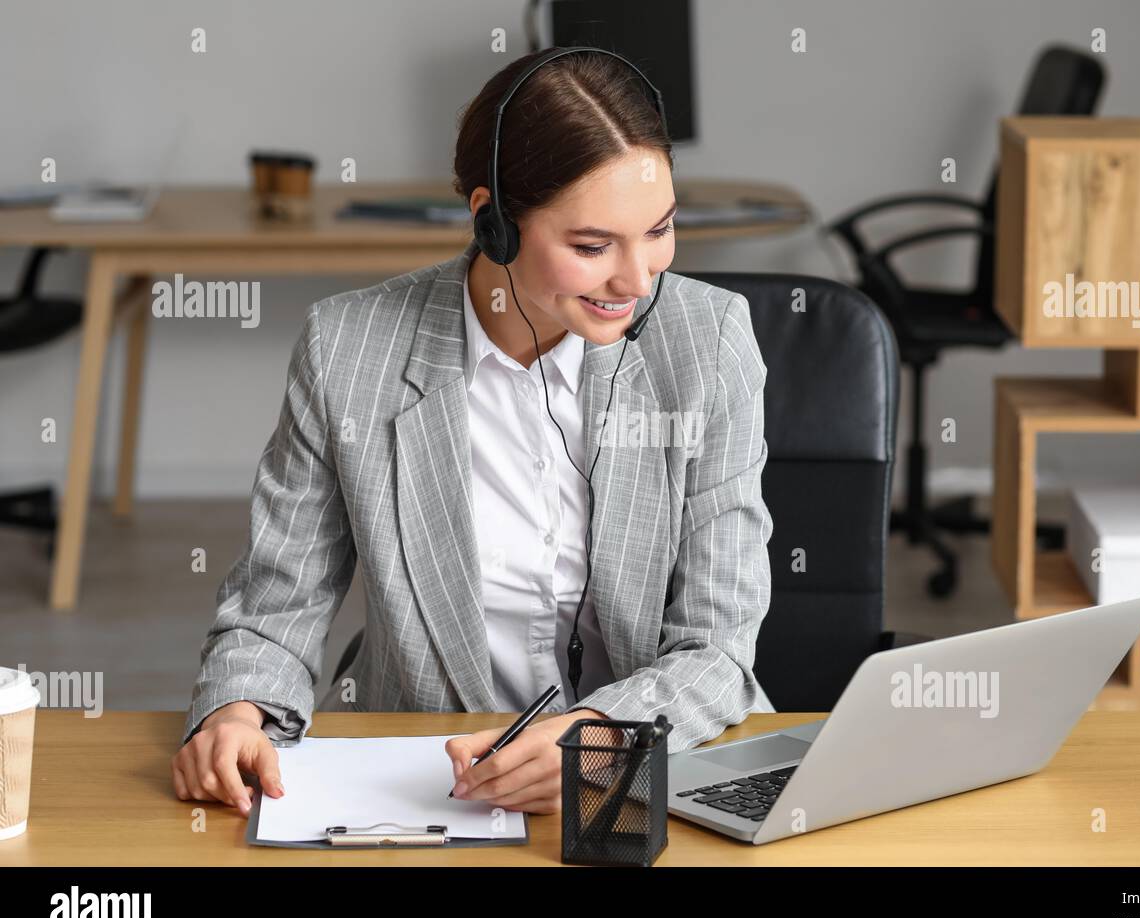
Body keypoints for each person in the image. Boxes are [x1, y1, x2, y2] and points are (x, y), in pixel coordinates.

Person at [172, 47, 774, 819]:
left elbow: (718, 646)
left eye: (658, 231)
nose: (638, 279)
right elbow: (275, 606)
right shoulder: (348, 350)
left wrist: (598, 737)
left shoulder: (709, 341)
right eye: (593, 247)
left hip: (644, 781)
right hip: (419, 778)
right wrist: (236, 713)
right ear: (493, 222)